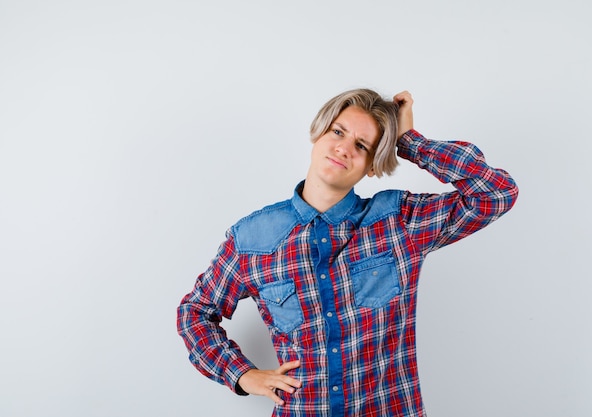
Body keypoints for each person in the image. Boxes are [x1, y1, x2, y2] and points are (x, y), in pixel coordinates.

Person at [176, 89, 519, 417]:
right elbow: (195, 312)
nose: (343, 148)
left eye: (361, 145)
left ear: (371, 166)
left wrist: (408, 140)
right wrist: (242, 374)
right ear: (317, 135)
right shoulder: (253, 238)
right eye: (337, 132)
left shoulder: (399, 222)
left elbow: (495, 194)